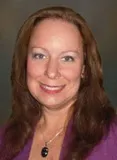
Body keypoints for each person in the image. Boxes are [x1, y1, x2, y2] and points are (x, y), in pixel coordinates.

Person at [0, 6, 117, 160]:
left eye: (67, 58)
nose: (51, 72)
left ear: (84, 68)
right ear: (25, 62)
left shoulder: (111, 139)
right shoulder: (5, 140)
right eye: (40, 55)